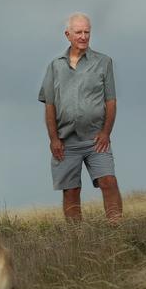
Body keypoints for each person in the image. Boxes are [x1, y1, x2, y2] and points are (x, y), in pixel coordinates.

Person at [38, 12, 123, 223]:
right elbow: (49, 106)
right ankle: (76, 238)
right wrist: (54, 140)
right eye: (78, 32)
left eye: (87, 32)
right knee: (71, 190)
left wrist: (106, 132)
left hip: (96, 139)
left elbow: (110, 101)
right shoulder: (55, 66)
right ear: (68, 35)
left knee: (108, 181)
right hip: (66, 142)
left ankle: (117, 229)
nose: (83, 36)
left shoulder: (104, 62)